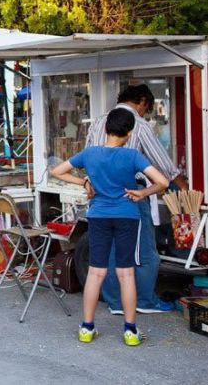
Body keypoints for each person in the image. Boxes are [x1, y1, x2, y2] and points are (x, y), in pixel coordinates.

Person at [52, 108, 168, 346]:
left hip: (98, 216)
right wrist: (143, 192)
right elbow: (163, 182)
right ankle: (130, 331)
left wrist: (84, 180)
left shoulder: (90, 153)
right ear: (129, 132)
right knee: (126, 274)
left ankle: (87, 328)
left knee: (96, 273)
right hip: (127, 216)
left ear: (106, 129)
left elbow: (57, 171)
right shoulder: (133, 156)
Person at [86, 84, 185, 315]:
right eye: (146, 108)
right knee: (143, 251)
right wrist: (178, 182)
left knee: (108, 255)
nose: (144, 113)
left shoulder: (99, 121)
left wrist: (87, 182)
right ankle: (144, 300)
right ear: (141, 102)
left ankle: (115, 303)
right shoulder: (138, 126)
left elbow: (84, 161)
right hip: (130, 195)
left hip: (101, 196)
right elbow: (162, 167)